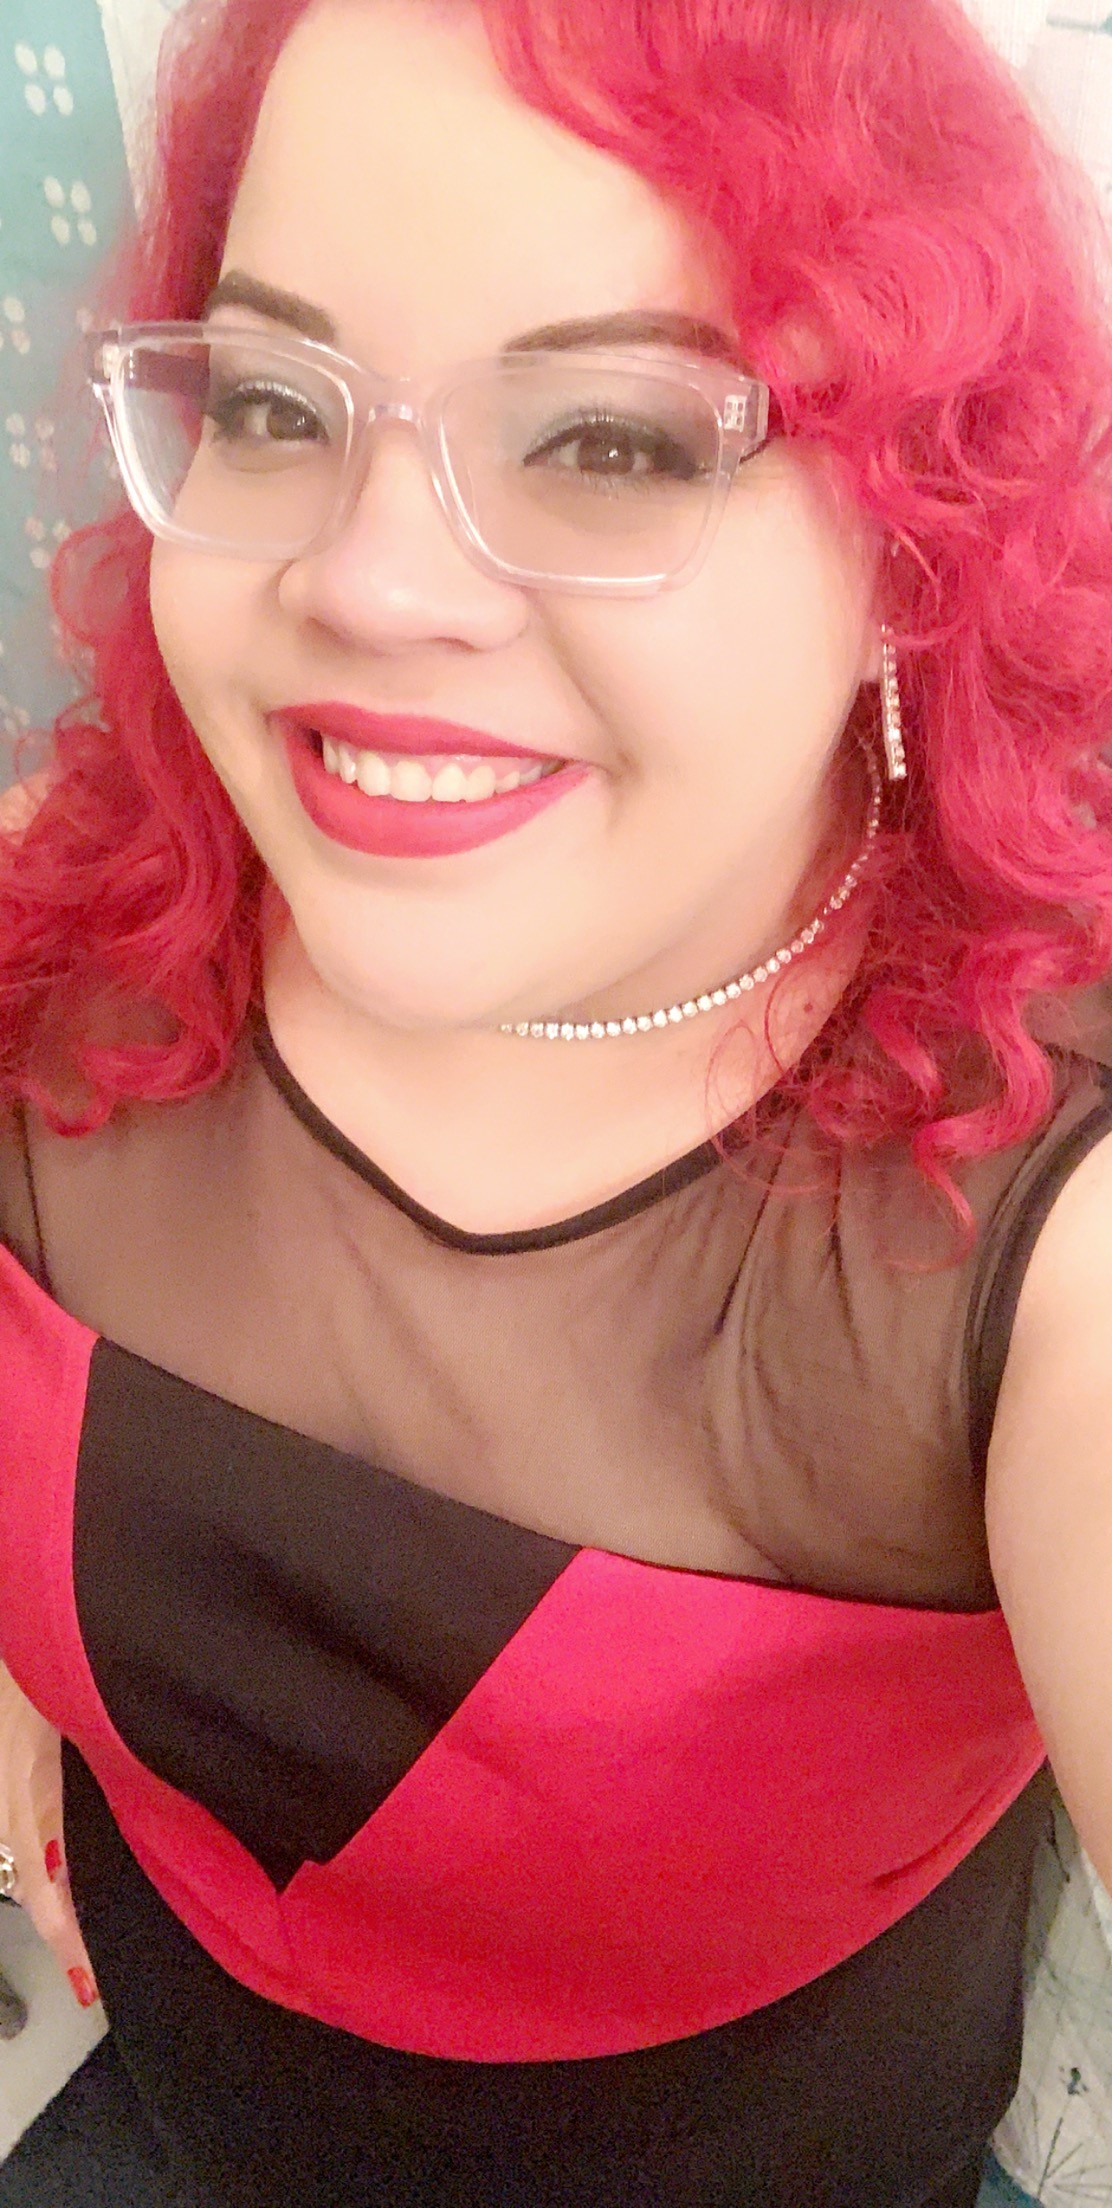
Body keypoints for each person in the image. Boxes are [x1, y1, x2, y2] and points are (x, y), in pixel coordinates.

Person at [0, 0, 1110, 2200]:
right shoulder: (66, 909)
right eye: (277, 403)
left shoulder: (1049, 1238)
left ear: (916, 541)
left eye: (609, 439)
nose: (363, 584)